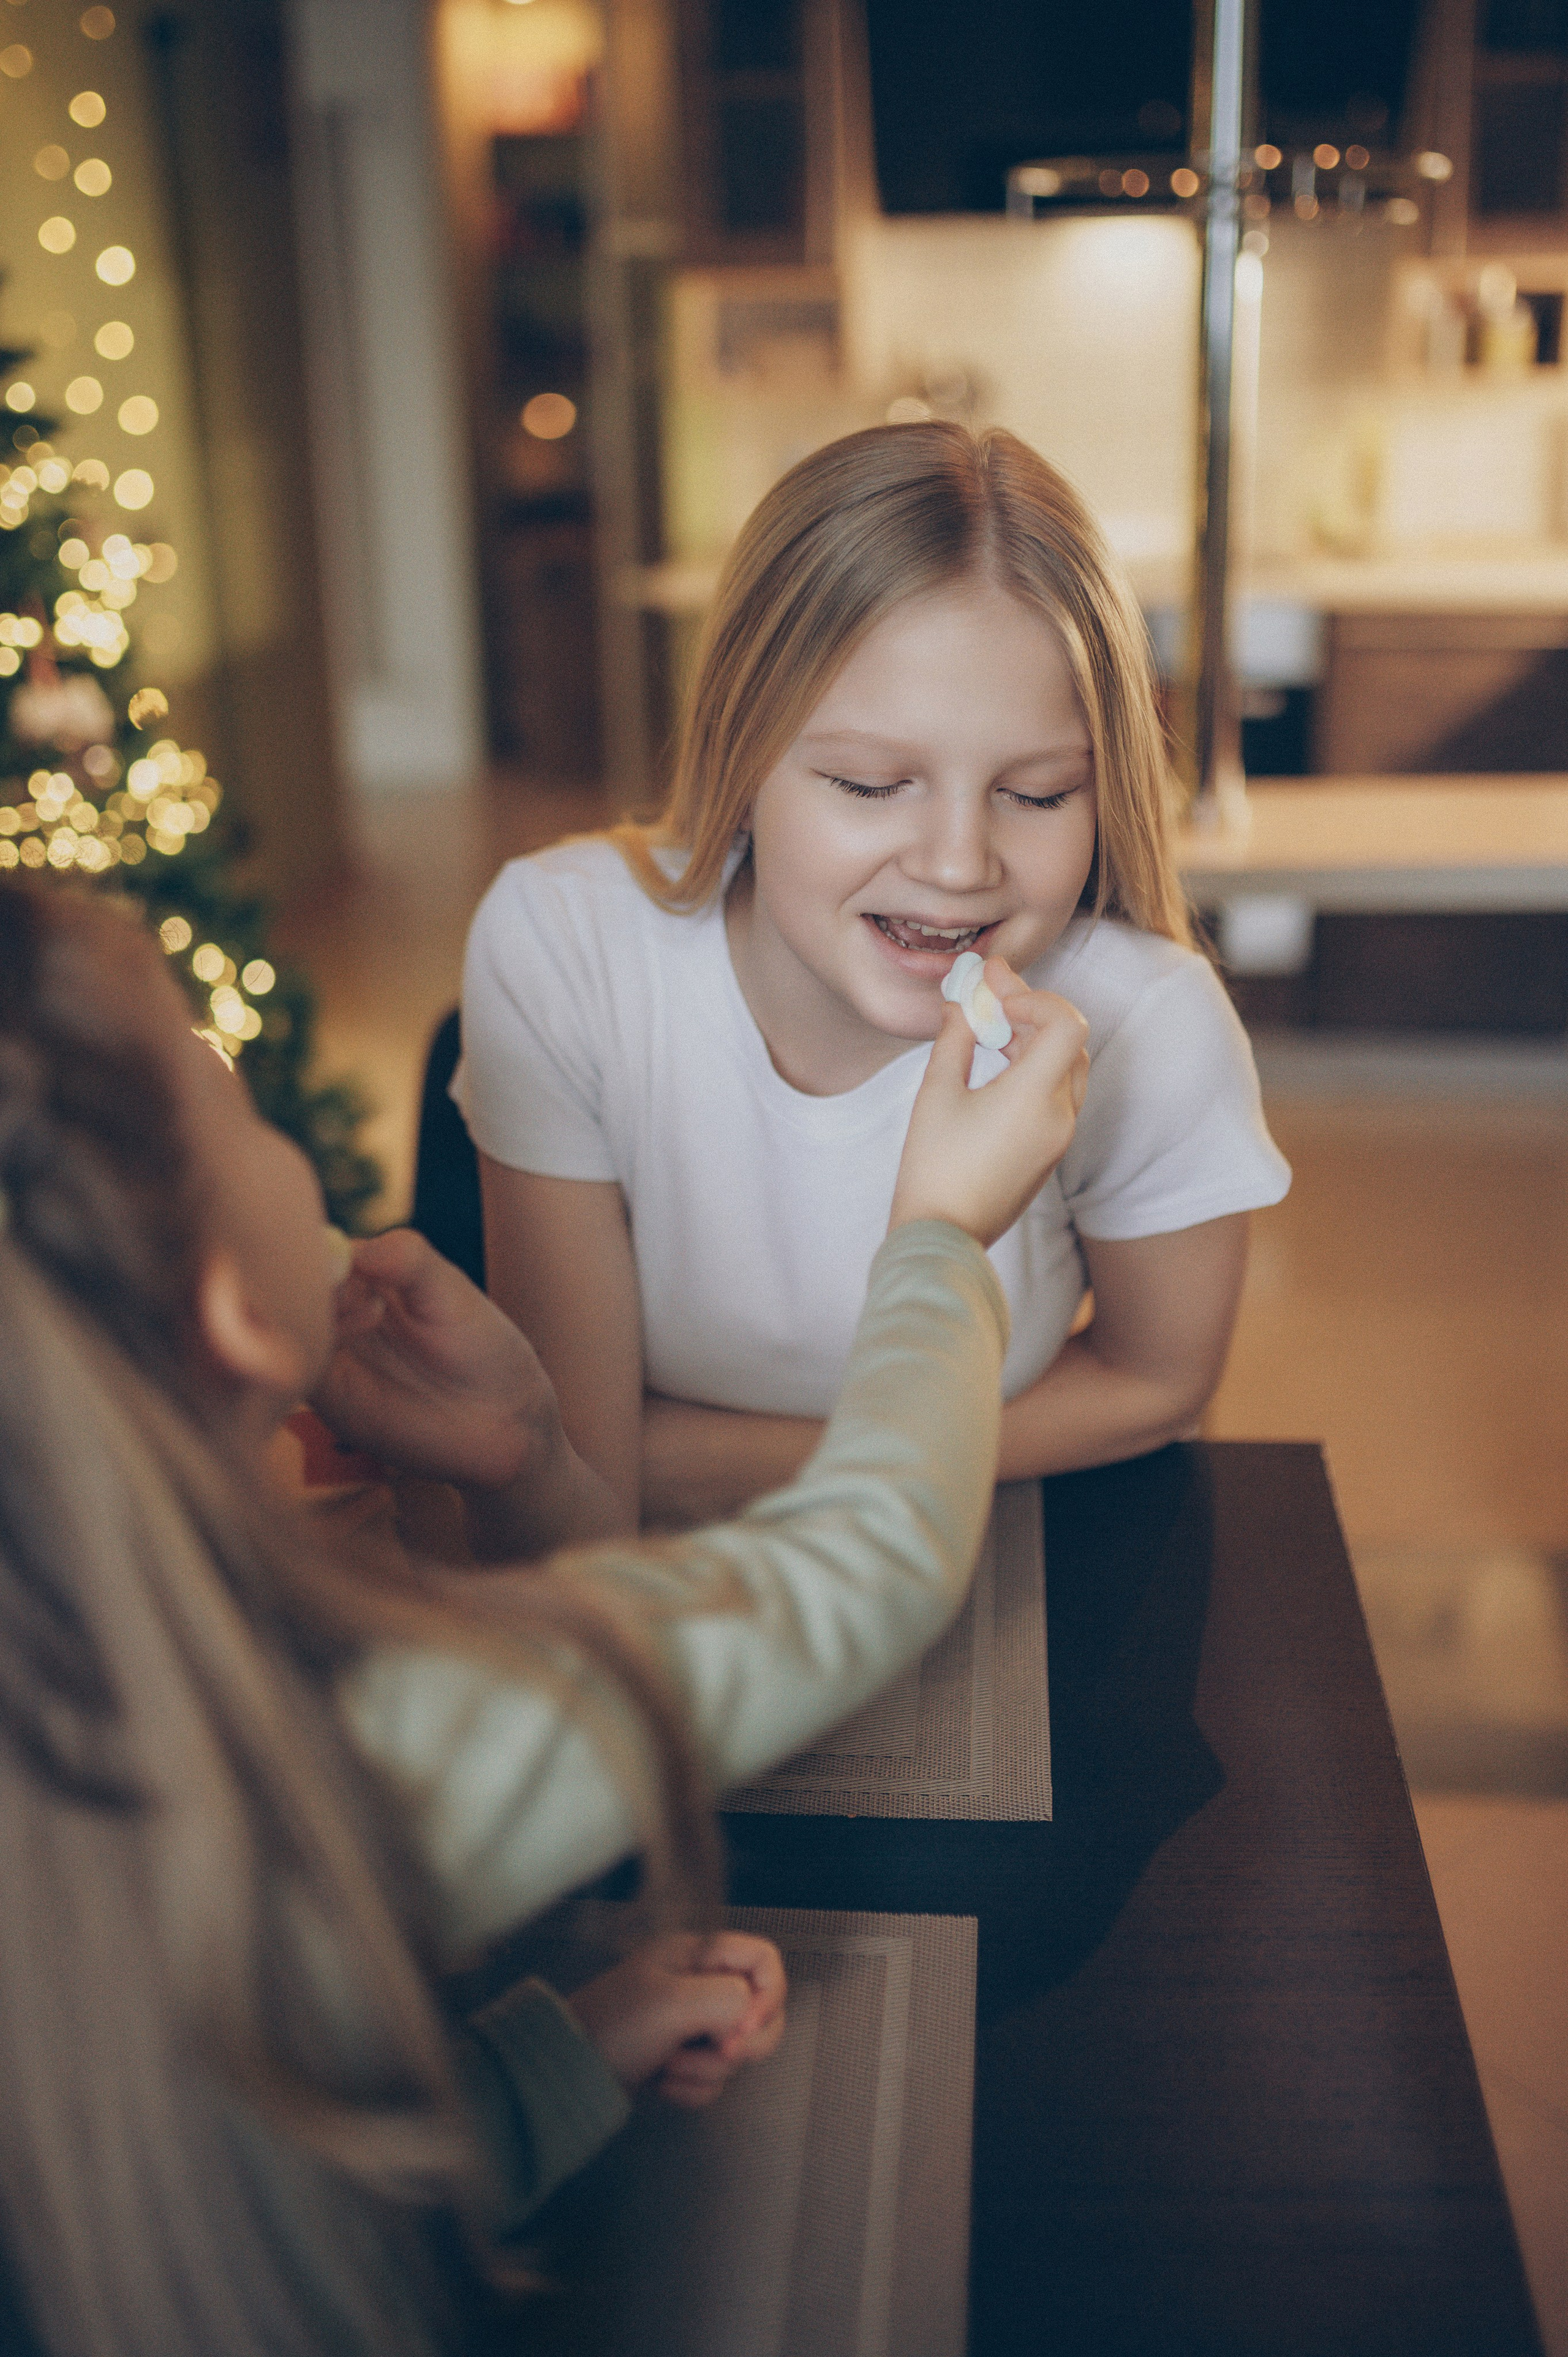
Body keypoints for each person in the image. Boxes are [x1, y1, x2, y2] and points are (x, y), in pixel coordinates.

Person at [0, 880, 1087, 2356]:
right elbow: (871, 1559)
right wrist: (943, 1232)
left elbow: (242, 2173)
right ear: (233, 1317)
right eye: (234, 1097)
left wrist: (549, 2064)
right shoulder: (336, 1742)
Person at [458, 421, 1291, 1533]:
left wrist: (721, 1465)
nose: (958, 865)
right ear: (740, 758)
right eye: (865, 784)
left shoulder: (1149, 1026)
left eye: (1039, 793)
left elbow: (1157, 1386)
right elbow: (581, 1503)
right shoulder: (562, 947)